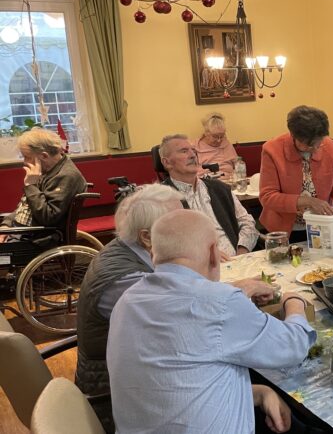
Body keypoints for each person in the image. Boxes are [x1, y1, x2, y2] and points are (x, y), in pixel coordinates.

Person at [76, 185, 274, 432]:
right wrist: (239, 291)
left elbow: (181, 297)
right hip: (125, 398)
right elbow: (188, 311)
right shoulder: (124, 279)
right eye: (177, 223)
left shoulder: (126, 251)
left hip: (145, 379)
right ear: (147, 236)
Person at [107, 209, 316, 433]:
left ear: (153, 256)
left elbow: (175, 382)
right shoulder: (219, 303)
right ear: (214, 253)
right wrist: (294, 301)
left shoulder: (127, 301)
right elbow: (293, 347)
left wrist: (260, 392)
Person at [259, 105, 333, 240]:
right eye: (309, 145)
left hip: (321, 225)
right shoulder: (272, 150)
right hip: (285, 230)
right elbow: (267, 196)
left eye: (318, 143)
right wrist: (307, 201)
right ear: (293, 135)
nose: (315, 148)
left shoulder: (331, 147)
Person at [159, 134, 258, 259]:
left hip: (236, 261)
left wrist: (241, 252)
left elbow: (247, 222)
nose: (192, 155)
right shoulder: (162, 198)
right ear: (166, 162)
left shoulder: (219, 189)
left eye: (193, 151)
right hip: (195, 270)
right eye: (184, 151)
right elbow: (164, 245)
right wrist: (205, 256)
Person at [0, 128, 86, 243]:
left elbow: (48, 217)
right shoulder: (46, 171)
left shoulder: (66, 176)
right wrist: (6, 225)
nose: (24, 162)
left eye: (27, 157)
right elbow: (25, 205)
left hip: (36, 237)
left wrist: (30, 185)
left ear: (44, 156)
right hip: (19, 231)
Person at [194, 112, 238, 177]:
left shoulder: (227, 144)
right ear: (206, 133)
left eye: (222, 136)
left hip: (229, 180)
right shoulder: (195, 146)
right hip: (207, 182)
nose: (219, 140)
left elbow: (238, 166)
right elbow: (190, 173)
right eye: (215, 136)